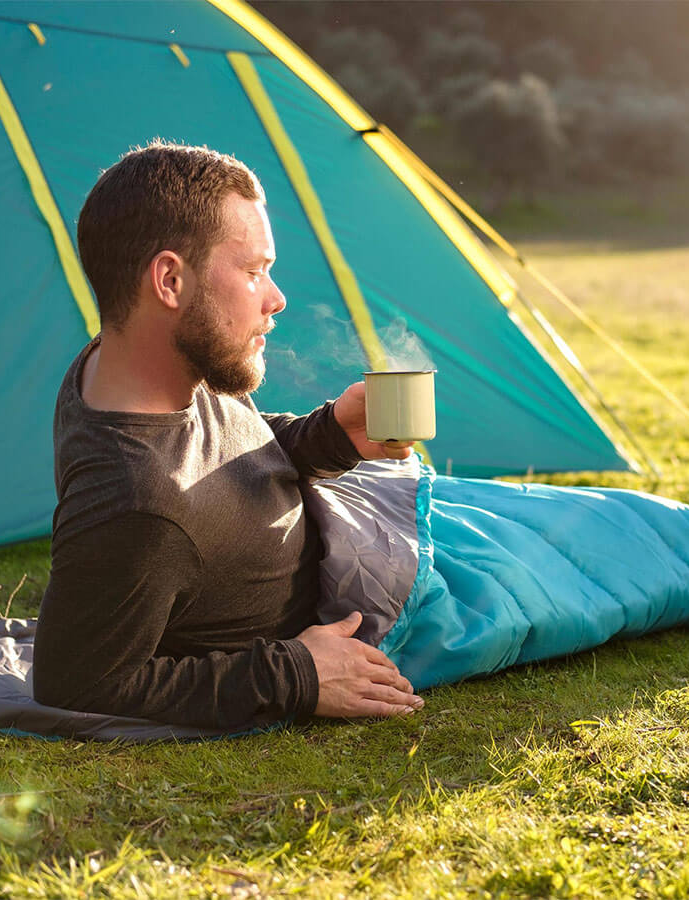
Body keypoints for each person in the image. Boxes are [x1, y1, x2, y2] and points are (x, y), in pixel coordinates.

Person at [32, 141, 423, 732]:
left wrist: (330, 436)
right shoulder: (138, 502)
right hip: (396, 593)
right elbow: (80, 681)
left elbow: (226, 462)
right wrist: (299, 674)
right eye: (253, 272)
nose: (276, 298)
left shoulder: (148, 367)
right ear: (169, 281)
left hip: (377, 527)